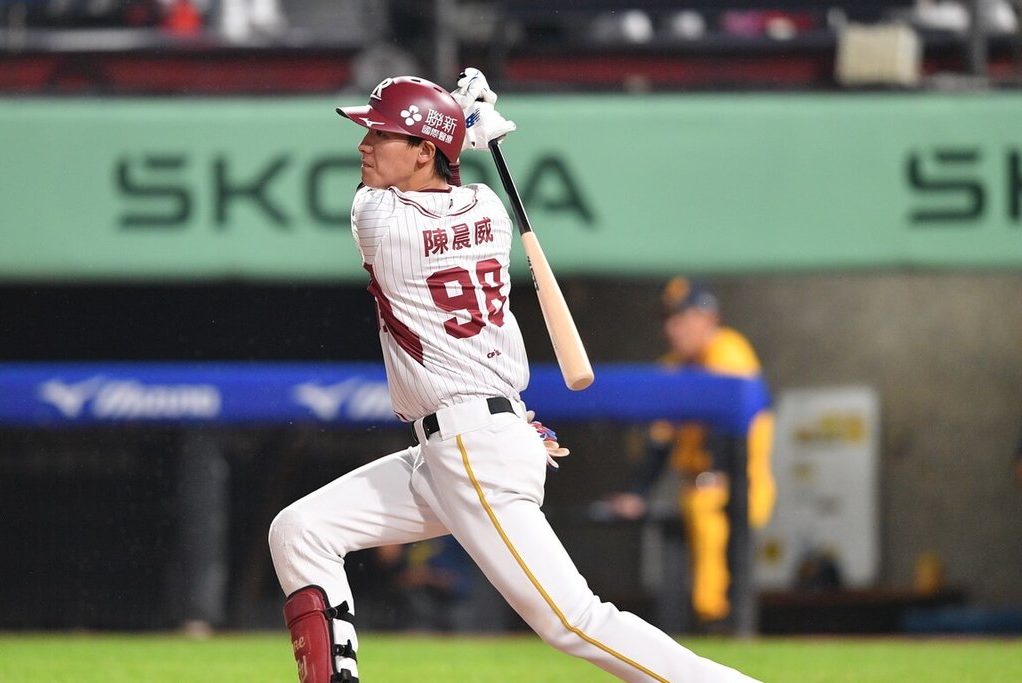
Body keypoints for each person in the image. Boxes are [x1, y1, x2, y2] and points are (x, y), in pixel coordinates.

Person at [268, 68, 762, 683]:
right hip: (465, 441)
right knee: (300, 530)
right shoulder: (490, 208)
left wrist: (459, 126)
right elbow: (449, 188)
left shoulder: (379, 220)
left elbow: (403, 195)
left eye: (382, 134)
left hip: (473, 445)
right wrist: (463, 132)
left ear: (423, 151)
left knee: (576, 621)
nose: (365, 145)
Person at [608, 278, 776, 631]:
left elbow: (728, 426)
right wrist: (638, 492)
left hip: (739, 480)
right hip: (696, 485)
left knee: (715, 562)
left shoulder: (728, 351)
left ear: (709, 318)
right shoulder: (673, 366)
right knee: (690, 548)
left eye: (681, 318)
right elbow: (660, 439)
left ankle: (724, 626)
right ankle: (709, 625)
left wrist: (717, 472)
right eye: (667, 319)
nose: (672, 328)